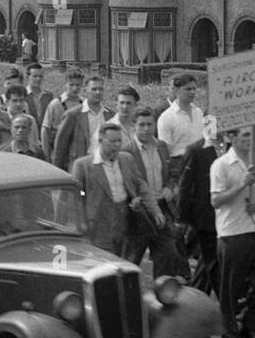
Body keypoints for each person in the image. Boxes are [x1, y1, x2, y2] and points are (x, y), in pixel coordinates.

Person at [210, 125, 255, 338]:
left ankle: (251, 326)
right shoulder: (220, 165)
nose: (249, 139)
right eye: (245, 135)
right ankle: (230, 336)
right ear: (231, 137)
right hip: (233, 232)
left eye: (251, 135)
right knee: (231, 288)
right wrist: (242, 185)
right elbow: (216, 201)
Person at [71, 122, 162, 256]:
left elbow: (141, 186)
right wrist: (77, 225)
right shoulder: (83, 165)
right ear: (101, 141)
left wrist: (156, 210)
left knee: (123, 260)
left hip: (124, 221)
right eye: (112, 141)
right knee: (103, 261)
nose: (117, 145)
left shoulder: (126, 159)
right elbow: (75, 198)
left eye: (119, 141)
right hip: (98, 223)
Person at [123, 106, 185, 276]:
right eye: (141, 125)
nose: (146, 129)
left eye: (150, 124)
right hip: (139, 213)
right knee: (131, 259)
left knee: (168, 252)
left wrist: (169, 187)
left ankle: (163, 291)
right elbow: (126, 183)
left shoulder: (162, 146)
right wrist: (134, 200)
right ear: (133, 126)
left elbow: (172, 173)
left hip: (162, 208)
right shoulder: (127, 152)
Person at [177, 129, 225, 296]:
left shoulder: (230, 145)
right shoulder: (196, 150)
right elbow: (185, 185)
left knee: (210, 261)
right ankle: (227, 305)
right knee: (214, 261)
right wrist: (183, 219)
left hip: (227, 215)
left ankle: (197, 294)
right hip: (206, 217)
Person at [52, 75, 113, 171]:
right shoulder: (73, 115)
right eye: (94, 89)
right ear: (85, 91)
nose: (98, 92)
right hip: (81, 167)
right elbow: (60, 147)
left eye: (100, 89)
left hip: (105, 167)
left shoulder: (110, 115)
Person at [157, 72, 206, 182]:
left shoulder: (199, 113)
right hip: (179, 166)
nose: (192, 92)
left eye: (194, 89)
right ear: (176, 90)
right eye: (188, 89)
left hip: (200, 165)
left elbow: (207, 139)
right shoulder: (166, 117)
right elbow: (165, 152)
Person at [40, 69, 84, 159]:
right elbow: (45, 129)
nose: (75, 88)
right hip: (58, 150)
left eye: (78, 85)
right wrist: (46, 154)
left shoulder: (84, 104)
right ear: (65, 85)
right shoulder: (55, 104)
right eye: (71, 85)